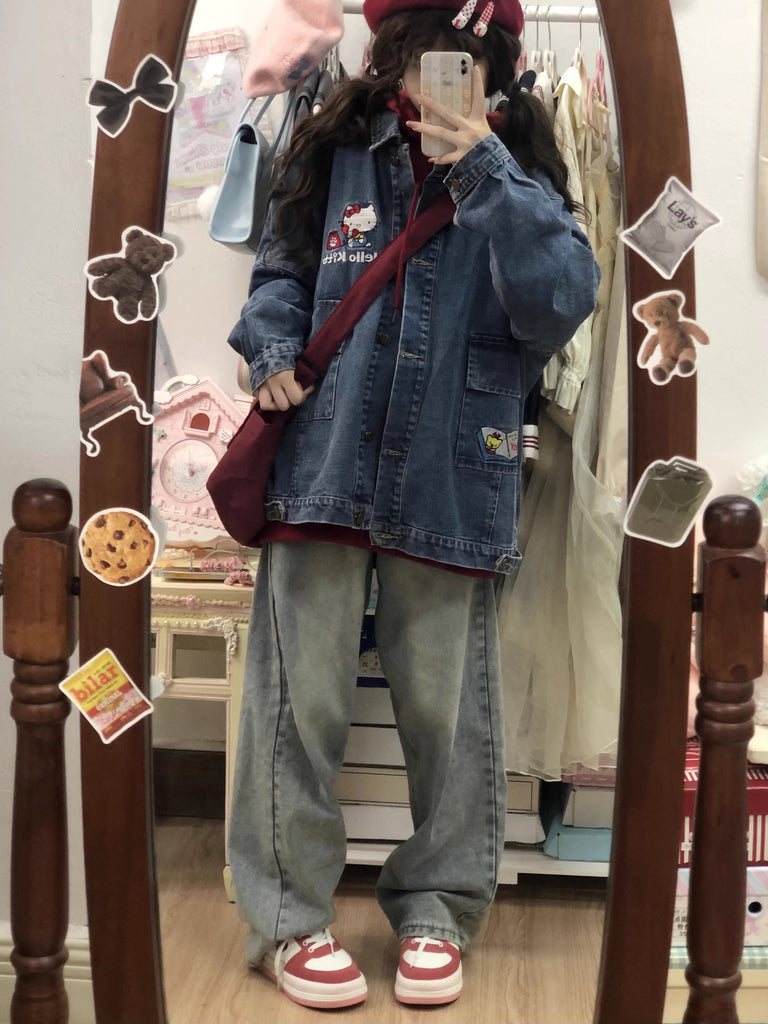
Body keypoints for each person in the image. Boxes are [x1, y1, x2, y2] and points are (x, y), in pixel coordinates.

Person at [226, 0, 599, 1010]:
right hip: (325, 454)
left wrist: (484, 168)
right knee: (296, 705)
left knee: (450, 713)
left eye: (463, 58)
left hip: (452, 466)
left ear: (496, 63)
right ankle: (288, 918)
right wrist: (271, 350)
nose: (441, 75)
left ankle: (437, 906)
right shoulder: (336, 145)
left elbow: (561, 301)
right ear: (390, 54)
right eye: (425, 53)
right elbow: (281, 270)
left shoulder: (519, 169)